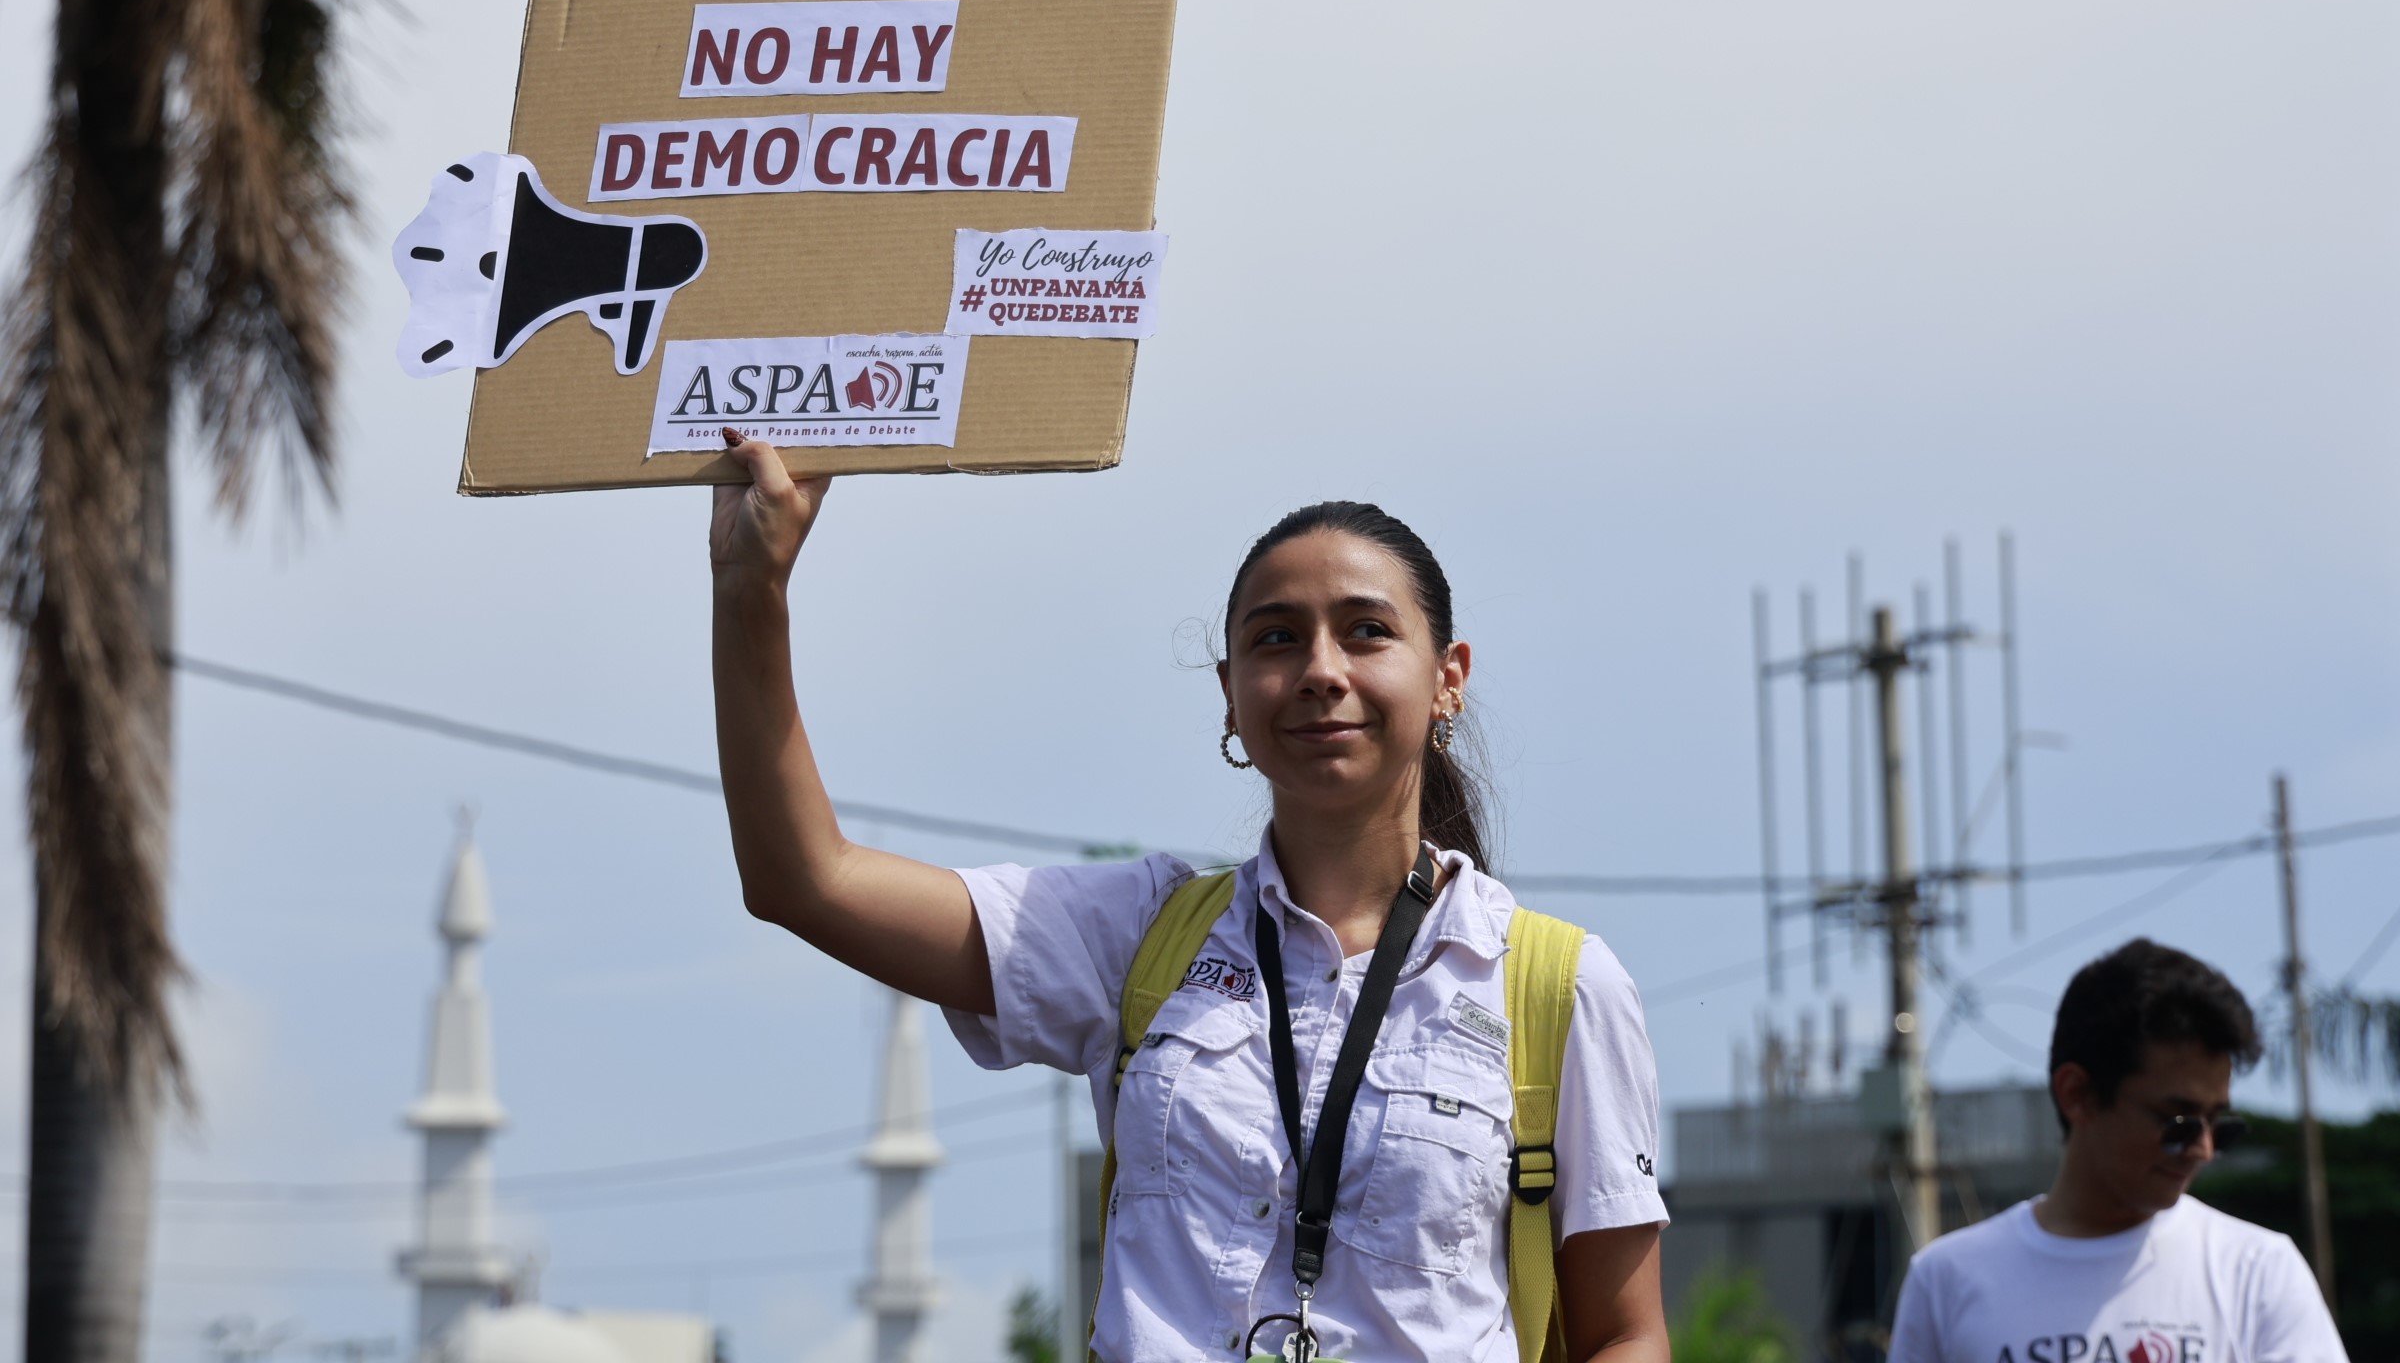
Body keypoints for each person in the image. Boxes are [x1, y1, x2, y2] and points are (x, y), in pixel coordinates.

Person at [709, 430, 1670, 1363]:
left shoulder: (1557, 988)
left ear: (1448, 680)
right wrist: (754, 589)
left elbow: (1624, 1333)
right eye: (1277, 640)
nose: (1322, 672)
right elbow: (804, 879)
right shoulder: (1140, 935)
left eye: (1368, 632)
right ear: (1230, 692)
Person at [1888, 938, 2347, 1363]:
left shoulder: (2257, 1273)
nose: (2203, 1150)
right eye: (2180, 1123)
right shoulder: (1948, 1280)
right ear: (2077, 1094)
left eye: (2218, 1125)